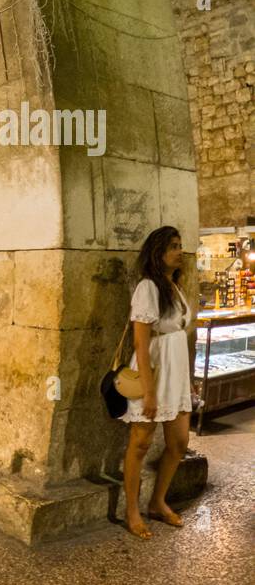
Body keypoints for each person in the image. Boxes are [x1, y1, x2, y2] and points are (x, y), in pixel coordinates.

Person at [119, 225, 192, 540]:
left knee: (179, 443)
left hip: (176, 374)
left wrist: (188, 382)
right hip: (154, 372)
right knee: (140, 444)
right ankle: (132, 511)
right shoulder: (147, 287)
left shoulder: (172, 286)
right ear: (158, 252)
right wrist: (148, 391)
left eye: (180, 245)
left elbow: (177, 335)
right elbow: (140, 343)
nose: (179, 251)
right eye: (173, 246)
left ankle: (157, 502)